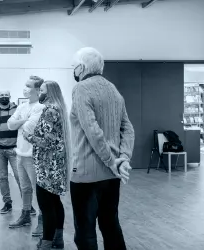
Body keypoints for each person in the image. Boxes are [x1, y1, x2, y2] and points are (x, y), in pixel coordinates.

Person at [66, 47, 132, 250]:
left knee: (85, 231)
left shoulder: (81, 88)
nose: (73, 69)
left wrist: (113, 162)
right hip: (111, 176)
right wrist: (123, 159)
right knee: (110, 224)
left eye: (73, 66)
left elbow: (92, 130)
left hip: (86, 174)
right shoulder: (113, 89)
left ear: (81, 67)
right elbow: (127, 127)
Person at [21, 80, 69, 249]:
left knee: (46, 204)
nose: (39, 92)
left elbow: (46, 142)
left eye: (41, 90)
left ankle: (47, 242)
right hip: (55, 164)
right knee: (55, 202)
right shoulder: (59, 109)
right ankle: (58, 238)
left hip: (47, 165)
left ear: (49, 93)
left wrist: (28, 136)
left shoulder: (49, 110)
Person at [4, 77, 46, 234]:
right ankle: (26, 215)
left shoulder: (40, 107)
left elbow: (29, 127)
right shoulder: (22, 106)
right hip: (20, 153)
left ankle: (43, 220)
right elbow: (10, 124)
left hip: (33, 155)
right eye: (25, 85)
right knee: (25, 188)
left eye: (28, 86)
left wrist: (20, 122)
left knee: (38, 189)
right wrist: (23, 120)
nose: (25, 88)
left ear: (37, 90)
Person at [0, 91, 24, 216]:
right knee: (3, 177)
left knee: (20, 177)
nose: (4, 97)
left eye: (6, 95)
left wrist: (20, 146)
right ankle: (7, 203)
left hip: (13, 149)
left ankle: (27, 204)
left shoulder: (17, 110)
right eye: (1, 95)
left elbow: (22, 129)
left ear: (10, 97)